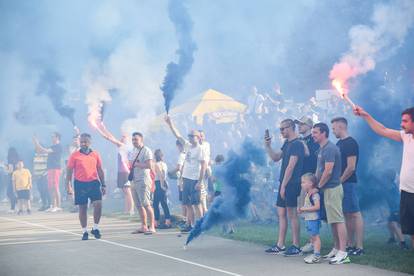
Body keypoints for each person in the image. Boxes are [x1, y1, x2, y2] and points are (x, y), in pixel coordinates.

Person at [354, 106, 414, 247]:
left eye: (405, 121)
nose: (401, 124)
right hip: (406, 192)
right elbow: (383, 130)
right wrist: (366, 115)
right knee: (412, 232)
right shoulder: (406, 136)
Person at [264, 119, 305, 256]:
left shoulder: (297, 144)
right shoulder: (287, 143)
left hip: (292, 183)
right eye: (280, 129)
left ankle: (296, 245)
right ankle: (280, 245)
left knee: (292, 214)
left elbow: (291, 166)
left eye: (283, 128)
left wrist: (283, 186)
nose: (281, 131)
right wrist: (268, 146)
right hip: (284, 182)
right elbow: (276, 158)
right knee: (281, 213)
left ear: (291, 128)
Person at [312, 123, 350, 264]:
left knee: (338, 220)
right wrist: (315, 185)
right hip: (326, 189)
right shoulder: (322, 149)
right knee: (332, 221)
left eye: (315, 132)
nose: (313, 135)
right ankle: (336, 249)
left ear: (324, 133)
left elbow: (328, 171)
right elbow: (319, 170)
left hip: (332, 188)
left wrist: (318, 187)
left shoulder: (329, 148)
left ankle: (343, 252)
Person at [165, 115, 207, 233]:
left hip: (195, 179)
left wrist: (200, 181)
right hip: (186, 178)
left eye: (192, 136)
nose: (189, 137)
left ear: (198, 137)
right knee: (187, 204)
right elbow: (178, 135)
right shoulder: (188, 145)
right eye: (189, 135)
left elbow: (203, 165)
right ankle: (191, 225)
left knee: (197, 204)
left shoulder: (201, 149)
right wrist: (170, 124)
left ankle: (200, 226)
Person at [331, 117, 364, 256]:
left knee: (355, 214)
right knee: (346, 214)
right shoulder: (339, 143)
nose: (332, 131)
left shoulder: (351, 143)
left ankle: (360, 247)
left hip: (348, 182)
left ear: (341, 126)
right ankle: (350, 244)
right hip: (341, 183)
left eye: (333, 128)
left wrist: (339, 181)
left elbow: (351, 167)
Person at [66, 133, 106, 240]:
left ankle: (95, 228)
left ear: (90, 142)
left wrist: (103, 184)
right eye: (82, 142)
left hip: (93, 182)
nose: (83, 144)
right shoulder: (74, 155)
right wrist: (68, 185)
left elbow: (100, 170)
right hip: (80, 184)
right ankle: (84, 231)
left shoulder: (95, 154)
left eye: (86, 142)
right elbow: (69, 172)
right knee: (83, 208)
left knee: (98, 204)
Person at [129, 132, 156, 235]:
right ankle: (143, 226)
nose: (134, 141)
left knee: (146, 204)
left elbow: (149, 165)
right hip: (134, 180)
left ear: (141, 139)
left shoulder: (146, 150)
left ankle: (152, 226)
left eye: (136, 139)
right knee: (138, 205)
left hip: (143, 180)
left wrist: (136, 164)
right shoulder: (133, 150)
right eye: (133, 140)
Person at [33, 132, 63, 212]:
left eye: (53, 136)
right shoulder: (53, 146)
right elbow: (40, 150)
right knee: (51, 188)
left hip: (55, 168)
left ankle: (58, 206)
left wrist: (37, 142)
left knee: (55, 187)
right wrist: (36, 143)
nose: (52, 138)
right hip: (50, 168)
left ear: (57, 137)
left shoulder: (58, 146)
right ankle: (53, 205)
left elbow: (45, 150)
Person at [381, 169, 409, 250]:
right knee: (389, 222)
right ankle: (392, 238)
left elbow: (384, 189)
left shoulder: (390, 186)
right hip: (393, 208)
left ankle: (403, 243)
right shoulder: (390, 184)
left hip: (396, 208)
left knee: (394, 223)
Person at [298, 173, 321, 264]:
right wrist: (302, 209)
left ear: (310, 183)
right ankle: (315, 253)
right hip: (309, 219)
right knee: (312, 237)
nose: (301, 184)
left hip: (313, 219)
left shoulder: (314, 195)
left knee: (315, 237)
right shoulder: (308, 194)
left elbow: (317, 207)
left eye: (303, 182)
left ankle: (317, 255)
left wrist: (304, 208)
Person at [153, 149, 171, 229]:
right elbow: (163, 173)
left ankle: (165, 221)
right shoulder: (164, 164)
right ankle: (157, 222)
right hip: (163, 182)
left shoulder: (157, 164)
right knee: (160, 203)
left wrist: (161, 184)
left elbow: (160, 174)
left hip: (159, 183)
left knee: (158, 203)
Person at [199, 130, 211, 215]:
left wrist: (206, 169)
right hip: (199, 170)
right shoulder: (196, 146)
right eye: (199, 136)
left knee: (206, 189)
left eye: (202, 136)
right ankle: (205, 209)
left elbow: (207, 157)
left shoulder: (206, 144)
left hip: (206, 169)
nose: (201, 137)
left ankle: (206, 209)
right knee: (202, 190)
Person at [6, 147, 19, 213]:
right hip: (17, 177)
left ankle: (13, 208)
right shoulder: (17, 159)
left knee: (9, 192)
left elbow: (10, 171)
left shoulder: (10, 159)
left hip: (12, 177)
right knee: (14, 192)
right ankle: (15, 206)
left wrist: (5, 168)